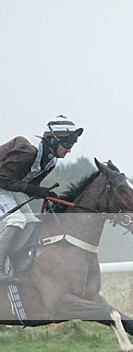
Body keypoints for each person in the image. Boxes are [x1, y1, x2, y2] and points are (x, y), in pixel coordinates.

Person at [0, 115, 83, 282]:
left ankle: (12, 261)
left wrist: (45, 193)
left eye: (72, 145)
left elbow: (29, 185)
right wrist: (35, 189)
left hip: (6, 186)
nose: (69, 150)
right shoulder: (27, 150)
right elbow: (3, 179)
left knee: (32, 222)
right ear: (52, 140)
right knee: (17, 220)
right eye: (67, 145)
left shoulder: (51, 161)